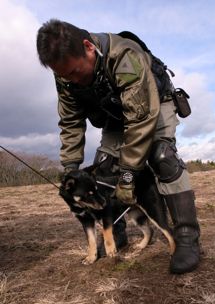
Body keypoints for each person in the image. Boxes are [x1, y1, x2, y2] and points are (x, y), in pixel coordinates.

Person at [36, 19, 201, 274]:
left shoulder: (124, 56)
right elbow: (70, 121)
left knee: (162, 157)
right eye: (64, 75)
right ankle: (117, 232)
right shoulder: (66, 76)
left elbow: (140, 120)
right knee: (102, 167)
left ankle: (187, 239)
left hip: (153, 104)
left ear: (89, 47)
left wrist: (127, 177)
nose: (73, 81)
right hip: (117, 113)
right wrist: (70, 168)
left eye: (77, 73)